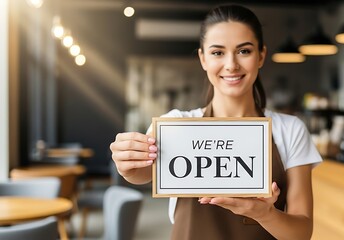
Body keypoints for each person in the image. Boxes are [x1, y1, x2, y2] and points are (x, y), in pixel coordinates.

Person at [110, 4, 322, 240]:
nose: (231, 64)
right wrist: (127, 162)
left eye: (244, 51)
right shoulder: (175, 124)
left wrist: (265, 214)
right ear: (203, 58)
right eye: (217, 52)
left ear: (261, 55)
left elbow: (302, 233)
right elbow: (142, 173)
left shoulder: (290, 130)